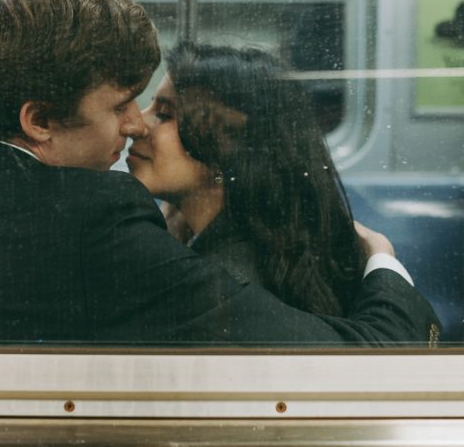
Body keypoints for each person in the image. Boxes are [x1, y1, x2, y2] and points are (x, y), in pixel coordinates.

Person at [0, 0, 439, 346]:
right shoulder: (92, 218)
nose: (133, 127)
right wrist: (383, 262)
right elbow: (357, 358)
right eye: (120, 106)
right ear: (39, 121)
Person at [127, 42, 409, 320]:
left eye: (164, 115)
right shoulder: (254, 252)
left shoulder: (225, 283)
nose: (136, 124)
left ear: (223, 151)